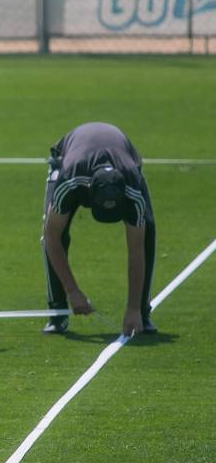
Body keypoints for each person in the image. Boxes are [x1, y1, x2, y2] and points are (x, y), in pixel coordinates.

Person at [41, 122, 157, 336]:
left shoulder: (133, 188)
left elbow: (136, 250)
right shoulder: (70, 180)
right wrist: (72, 291)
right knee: (53, 229)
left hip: (125, 157)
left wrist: (132, 308)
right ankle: (57, 314)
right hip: (69, 155)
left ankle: (141, 312)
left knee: (146, 229)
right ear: (89, 194)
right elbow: (51, 237)